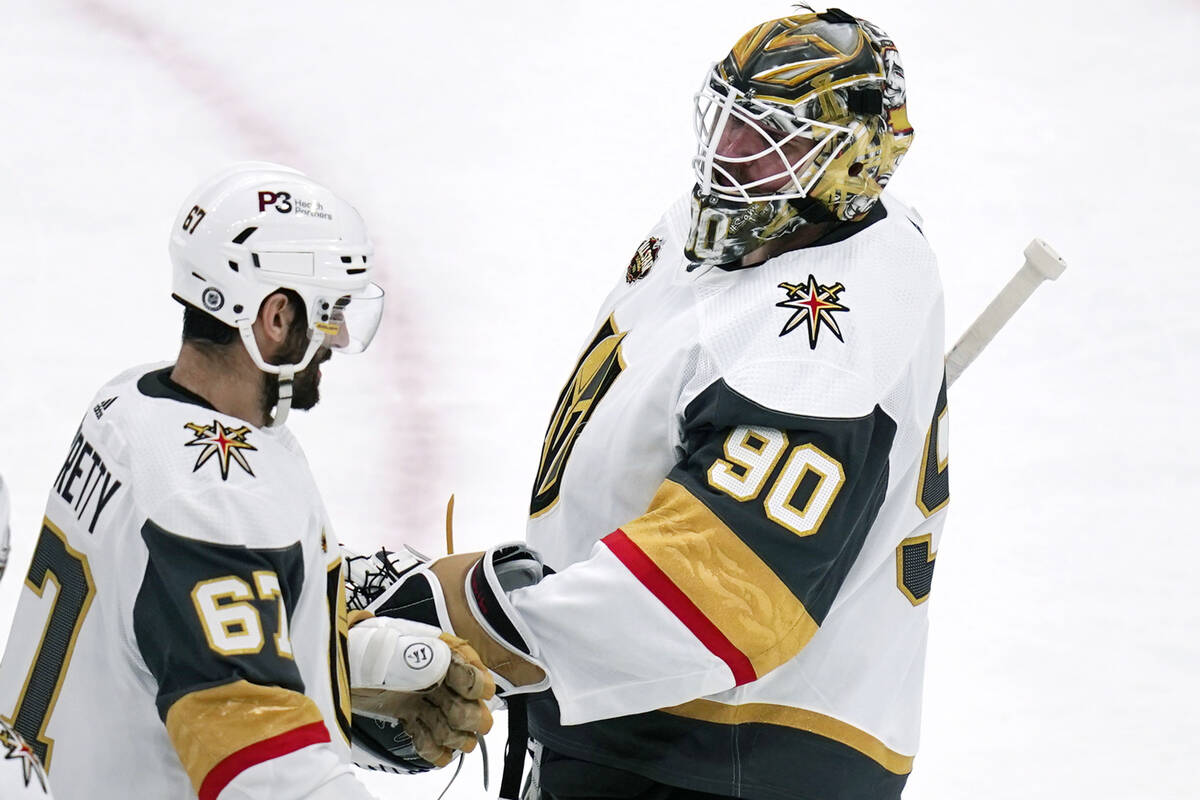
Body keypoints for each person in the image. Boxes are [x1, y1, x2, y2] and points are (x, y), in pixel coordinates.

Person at [363, 8, 947, 800]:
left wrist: (481, 625)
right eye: (731, 123)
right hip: (634, 712)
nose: (731, 157)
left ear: (850, 168)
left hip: (732, 753)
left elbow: (722, 594)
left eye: (773, 141)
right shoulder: (751, 229)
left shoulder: (822, 349)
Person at [0, 163, 493, 800]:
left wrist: (347, 667)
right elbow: (265, 773)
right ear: (277, 317)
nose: (338, 339)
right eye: (332, 312)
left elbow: (157, 638)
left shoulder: (130, 403)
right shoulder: (211, 503)